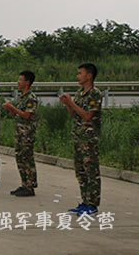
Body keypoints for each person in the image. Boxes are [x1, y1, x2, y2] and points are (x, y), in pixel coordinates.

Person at [59, 63, 103, 215]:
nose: (78, 76)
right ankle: (85, 201)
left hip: (89, 139)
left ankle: (93, 204)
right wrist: (67, 105)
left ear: (89, 75)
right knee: (81, 172)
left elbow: (87, 115)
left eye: (80, 73)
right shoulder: (79, 93)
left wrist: (71, 102)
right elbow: (75, 115)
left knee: (91, 172)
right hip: (78, 137)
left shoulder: (94, 94)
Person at [3, 70, 39, 197]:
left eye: (20, 80)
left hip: (27, 134)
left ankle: (30, 186)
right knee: (20, 158)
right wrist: (10, 109)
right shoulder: (22, 97)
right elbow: (17, 115)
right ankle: (24, 184)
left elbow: (27, 116)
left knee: (27, 159)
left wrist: (12, 107)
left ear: (27, 82)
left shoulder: (31, 98)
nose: (18, 82)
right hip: (20, 132)